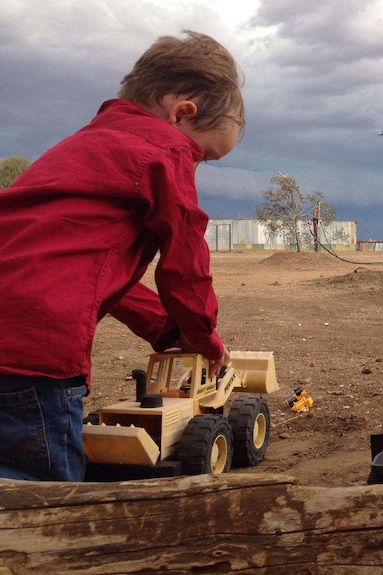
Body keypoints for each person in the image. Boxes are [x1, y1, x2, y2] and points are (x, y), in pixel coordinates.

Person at [0, 30, 244, 482]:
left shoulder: (75, 149)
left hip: (10, 337)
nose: (194, 165)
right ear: (182, 115)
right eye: (203, 156)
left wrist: (166, 329)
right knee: (40, 506)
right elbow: (185, 266)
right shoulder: (164, 151)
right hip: (35, 359)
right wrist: (202, 339)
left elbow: (87, 279)